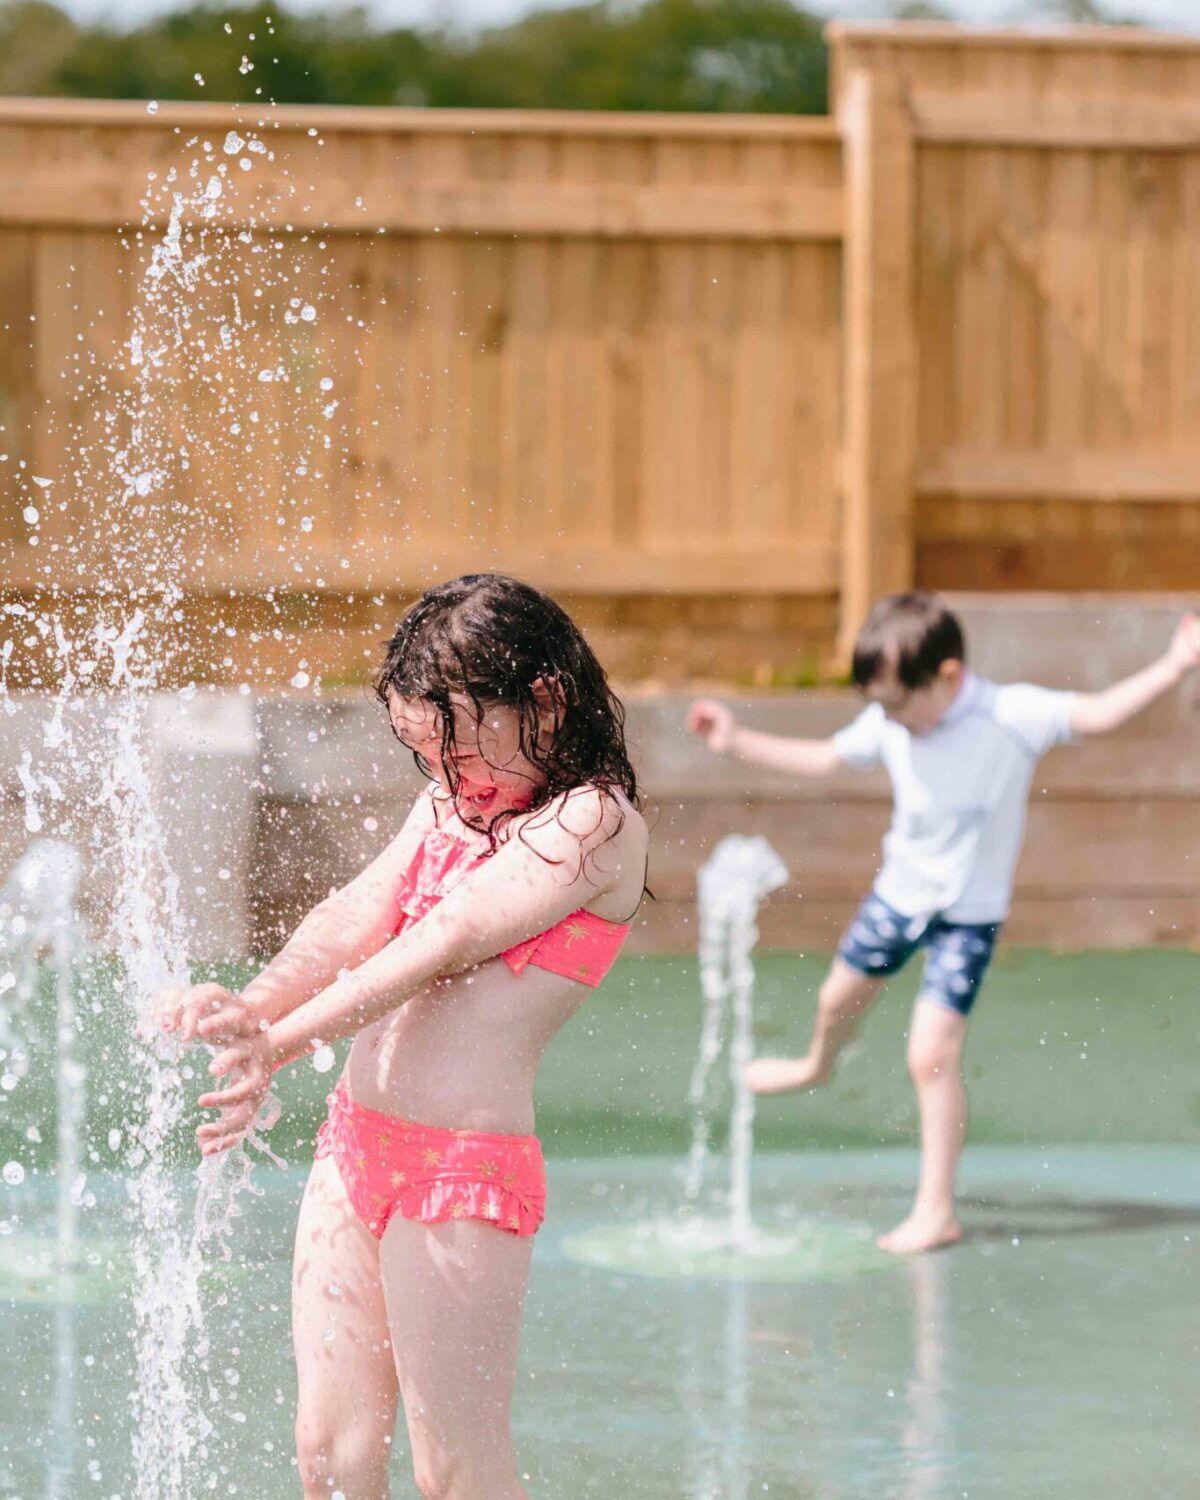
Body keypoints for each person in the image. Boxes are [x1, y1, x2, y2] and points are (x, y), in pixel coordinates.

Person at [160, 574, 648, 1500]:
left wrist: (283, 1044)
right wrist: (253, 1008)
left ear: (543, 697)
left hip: (460, 1173)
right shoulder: (456, 803)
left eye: (458, 747)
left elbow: (444, 938)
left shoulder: (591, 822)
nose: (449, 778)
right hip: (354, 1148)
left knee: (452, 1471)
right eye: (428, 757)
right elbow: (356, 915)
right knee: (330, 1453)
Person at [688, 592, 1200, 1255]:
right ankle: (817, 1063)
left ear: (950, 678)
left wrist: (1177, 662)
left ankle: (936, 1210)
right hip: (898, 897)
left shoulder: (1011, 714)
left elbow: (1100, 715)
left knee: (931, 1054)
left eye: (900, 704)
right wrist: (737, 741)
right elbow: (826, 759)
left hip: (968, 917)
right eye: (882, 707)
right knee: (835, 1000)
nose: (891, 721)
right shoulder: (892, 720)